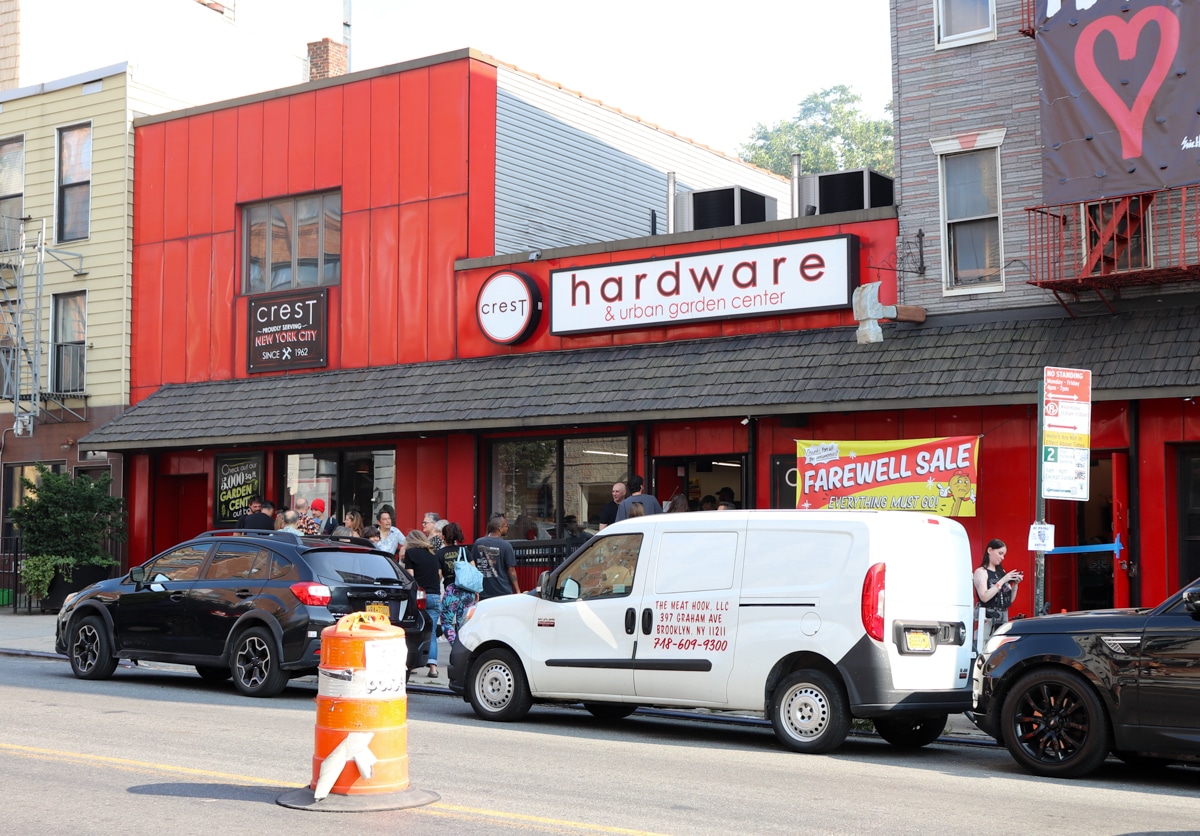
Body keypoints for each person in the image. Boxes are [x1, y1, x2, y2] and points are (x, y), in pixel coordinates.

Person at [402, 529, 443, 678]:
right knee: (431, 633)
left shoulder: (410, 553)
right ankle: (433, 668)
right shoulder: (433, 554)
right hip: (435, 596)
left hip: (420, 596)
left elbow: (410, 578)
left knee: (415, 631)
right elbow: (439, 575)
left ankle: (412, 666)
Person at [436, 522, 477, 645]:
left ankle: (455, 645)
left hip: (451, 590)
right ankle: (463, 650)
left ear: (443, 537)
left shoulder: (440, 554)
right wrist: (476, 591)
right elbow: (473, 570)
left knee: (446, 622)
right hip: (468, 591)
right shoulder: (465, 551)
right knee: (463, 623)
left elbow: (438, 574)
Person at [974, 538, 1022, 637]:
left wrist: (1015, 584)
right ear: (990, 550)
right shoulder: (981, 572)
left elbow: (1010, 600)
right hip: (988, 618)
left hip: (1003, 617)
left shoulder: (1001, 572)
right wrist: (1003, 580)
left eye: (1004, 555)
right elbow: (984, 596)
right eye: (1000, 553)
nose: (1002, 558)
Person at [473, 513, 520, 599]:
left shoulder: (478, 543)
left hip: (482, 591)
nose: (508, 528)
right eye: (506, 526)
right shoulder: (506, 546)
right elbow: (511, 570)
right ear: (500, 529)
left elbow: (473, 565)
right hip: (502, 592)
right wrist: (517, 590)